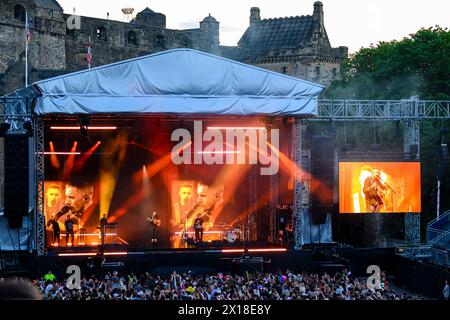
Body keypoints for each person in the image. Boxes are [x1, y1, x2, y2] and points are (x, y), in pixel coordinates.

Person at [171, 183, 194, 248]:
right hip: (176, 239)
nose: (186, 195)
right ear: (179, 194)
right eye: (184, 193)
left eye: (189, 193)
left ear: (192, 195)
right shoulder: (173, 208)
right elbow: (171, 223)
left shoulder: (195, 209)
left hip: (191, 238)